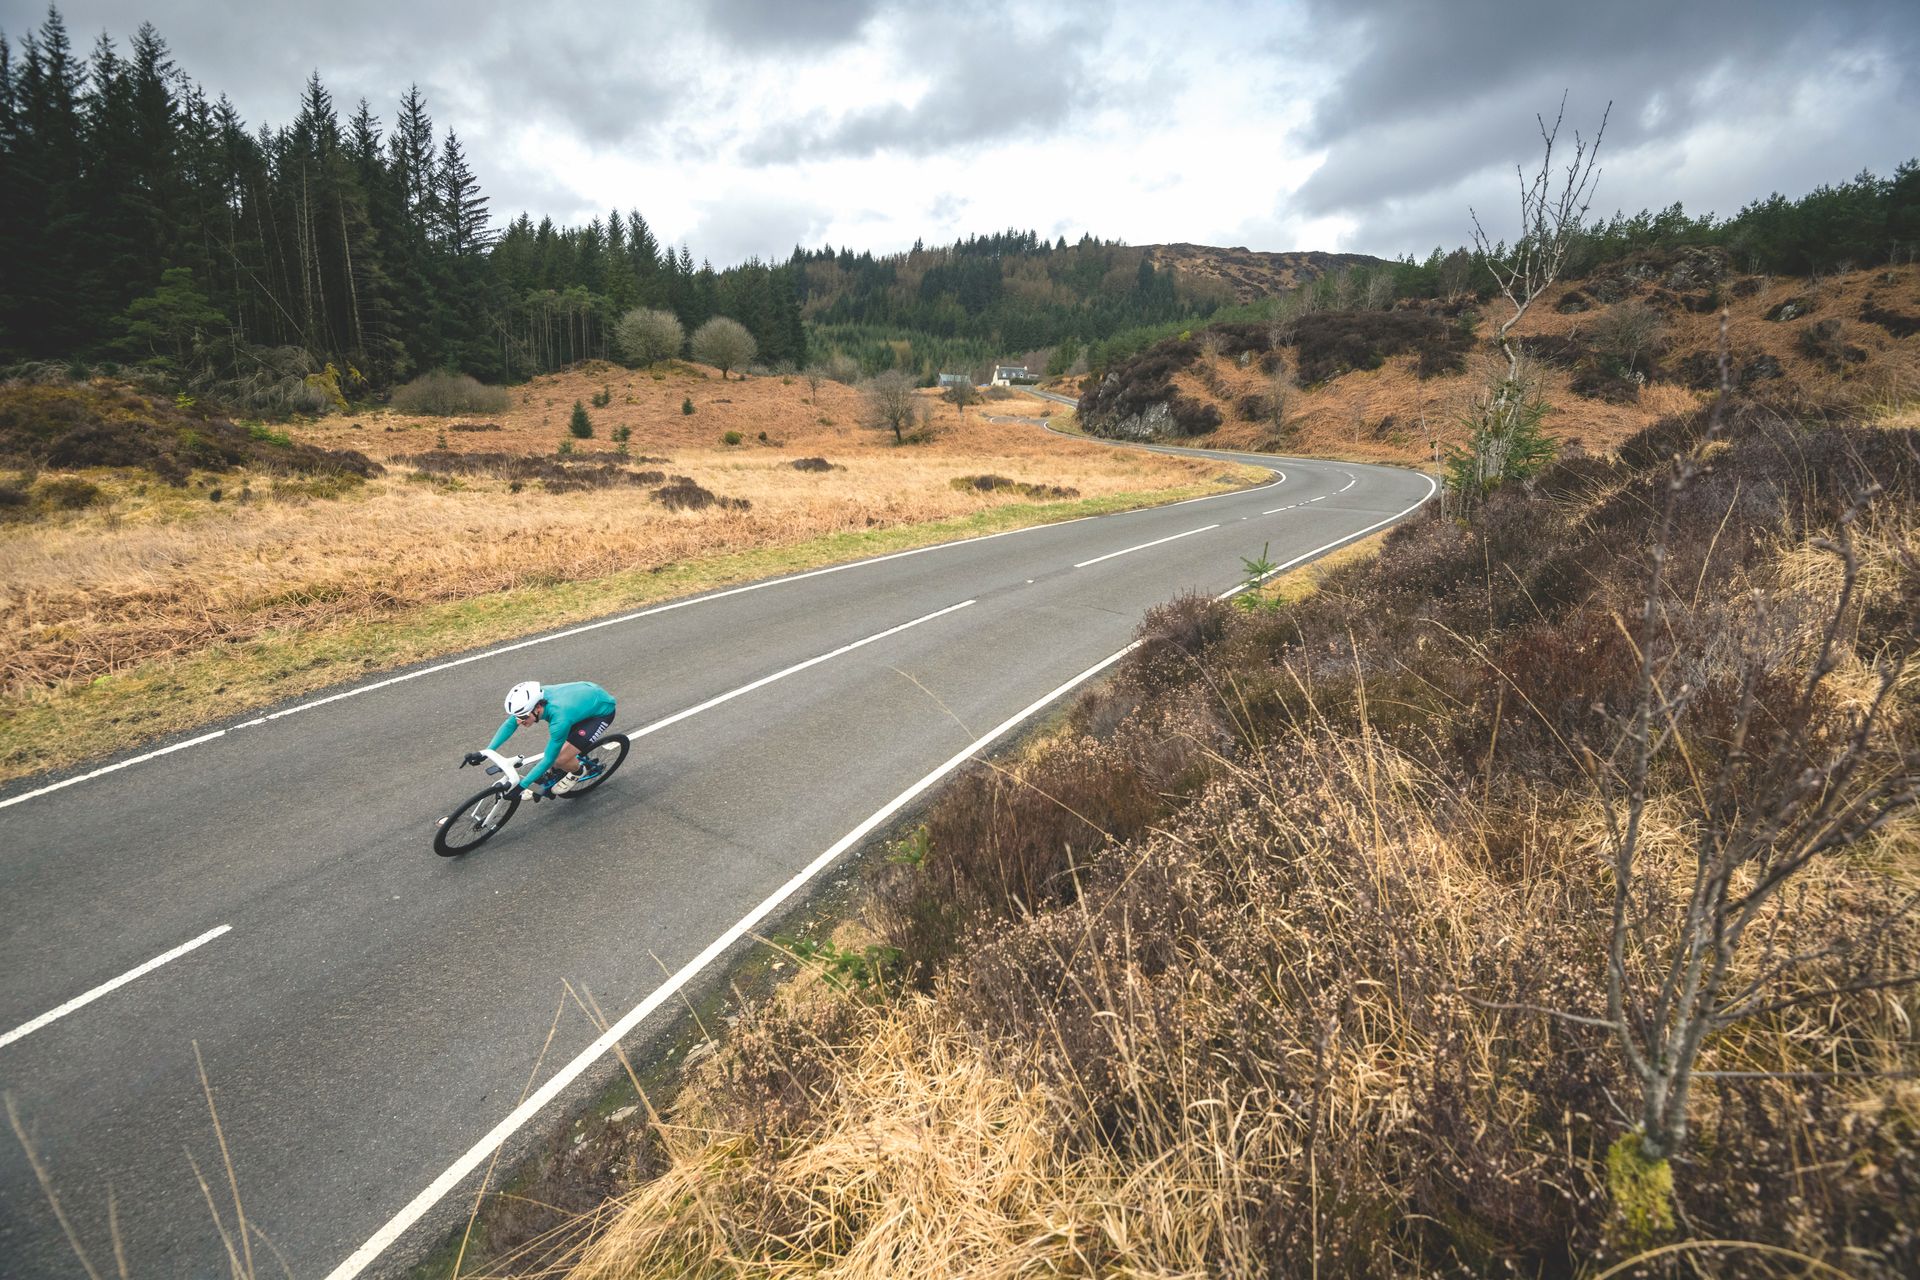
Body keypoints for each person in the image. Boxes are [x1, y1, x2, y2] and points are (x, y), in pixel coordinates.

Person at [464, 680, 618, 800]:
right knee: (559, 750)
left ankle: (578, 771)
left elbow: (549, 758)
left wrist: (522, 786)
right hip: (583, 700)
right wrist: (485, 752)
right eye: (517, 716)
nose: (519, 721)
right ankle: (560, 771)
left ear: (537, 708)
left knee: (559, 759)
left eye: (523, 717)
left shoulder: (559, 720)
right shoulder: (531, 703)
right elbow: (509, 725)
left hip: (601, 711)